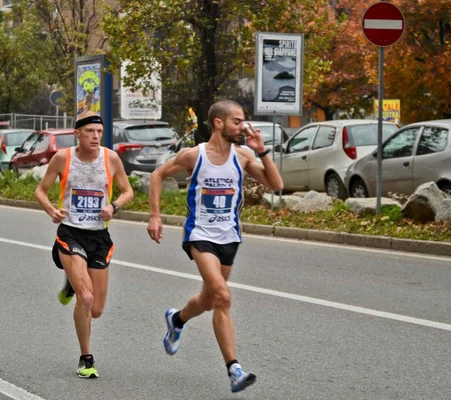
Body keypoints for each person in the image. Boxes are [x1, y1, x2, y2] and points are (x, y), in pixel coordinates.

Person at [147, 100, 283, 393]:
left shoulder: (244, 155)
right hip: (200, 235)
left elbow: (276, 184)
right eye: (237, 121)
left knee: (209, 300)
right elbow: (158, 175)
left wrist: (262, 150)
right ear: (218, 123)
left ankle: (177, 319)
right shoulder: (194, 156)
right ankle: (234, 369)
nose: (243, 126)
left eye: (244, 121)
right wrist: (155, 216)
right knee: (222, 296)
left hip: (230, 237)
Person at [35, 111, 133, 379]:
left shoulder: (110, 158)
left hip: (99, 237)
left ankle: (72, 280)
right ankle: (86, 358)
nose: (95, 136)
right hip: (71, 233)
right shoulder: (62, 158)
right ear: (77, 134)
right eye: (90, 131)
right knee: (86, 298)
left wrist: (114, 207)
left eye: (99, 132)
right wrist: (51, 211)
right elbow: (40, 191)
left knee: (97, 309)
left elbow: (128, 191)